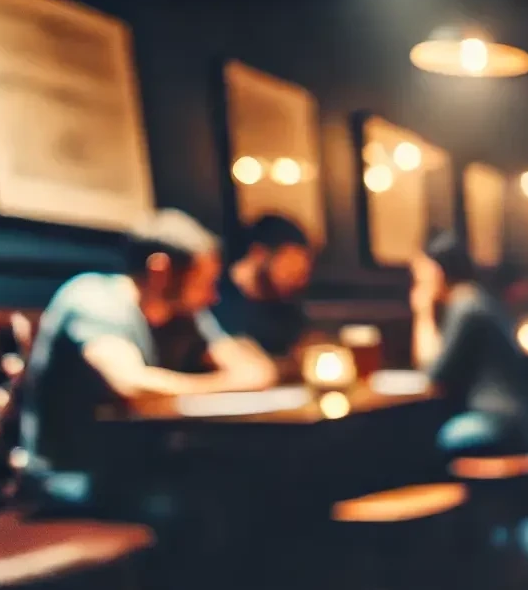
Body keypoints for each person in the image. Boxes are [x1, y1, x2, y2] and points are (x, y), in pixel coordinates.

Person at [21, 209, 277, 511]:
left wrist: (233, 377)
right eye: (203, 282)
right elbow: (131, 385)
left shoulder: (186, 315)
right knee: (206, 502)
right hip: (70, 477)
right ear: (160, 270)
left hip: (140, 466)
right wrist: (223, 385)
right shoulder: (94, 300)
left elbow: (256, 371)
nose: (212, 297)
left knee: (253, 482)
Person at [410, 230, 528, 456]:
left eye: (421, 271)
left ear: (438, 270)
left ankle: (472, 493)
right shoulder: (476, 300)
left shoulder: (466, 306)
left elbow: (433, 374)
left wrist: (423, 313)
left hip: (500, 419)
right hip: (516, 418)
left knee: (433, 441)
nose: (418, 279)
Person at [212, 213, 317, 360]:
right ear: (259, 254)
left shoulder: (287, 304)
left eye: (302, 273)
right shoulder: (213, 296)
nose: (299, 280)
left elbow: (302, 349)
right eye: (290, 268)